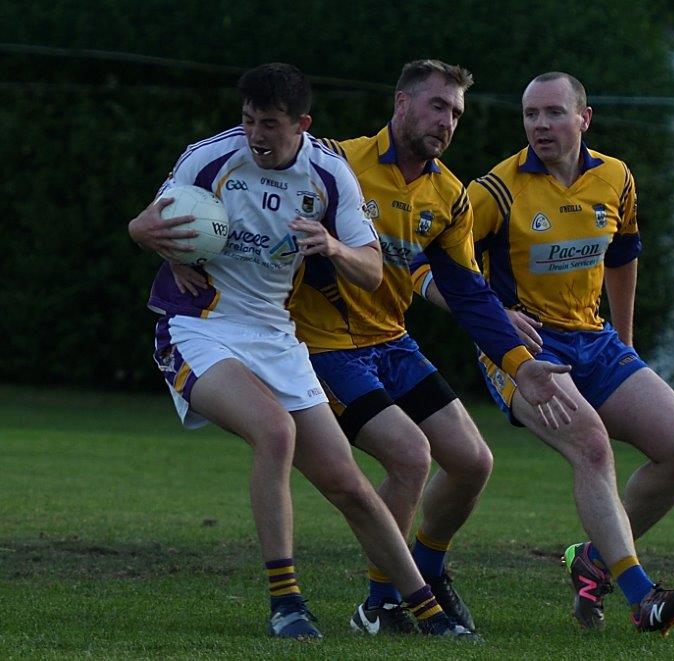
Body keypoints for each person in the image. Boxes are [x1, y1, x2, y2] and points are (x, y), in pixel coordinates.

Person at [128, 62, 478, 641]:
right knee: (276, 432)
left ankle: (425, 610)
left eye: (269, 123)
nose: (255, 135)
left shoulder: (330, 174)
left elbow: (370, 270)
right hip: (198, 325)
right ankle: (286, 603)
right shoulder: (210, 157)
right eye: (248, 120)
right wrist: (163, 241)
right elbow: (141, 225)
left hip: (276, 336)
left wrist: (334, 246)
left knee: (348, 483)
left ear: (302, 124)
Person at [284, 59, 575, 635]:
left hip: (391, 343)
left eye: (457, 113)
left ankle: (426, 568)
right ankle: (381, 602)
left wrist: (519, 366)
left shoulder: (449, 194)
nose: (448, 121)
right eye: (438, 106)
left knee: (472, 462)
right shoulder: (334, 162)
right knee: (411, 456)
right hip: (323, 348)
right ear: (401, 103)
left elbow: (469, 294)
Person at [416, 71, 674, 634]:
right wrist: (495, 317)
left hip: (595, 342)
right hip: (523, 350)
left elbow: (624, 255)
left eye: (553, 113)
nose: (540, 126)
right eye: (530, 115)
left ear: (584, 118)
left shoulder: (616, 177)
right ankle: (641, 595)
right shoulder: (495, 190)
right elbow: (424, 264)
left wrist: (624, 342)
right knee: (592, 446)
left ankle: (594, 561)